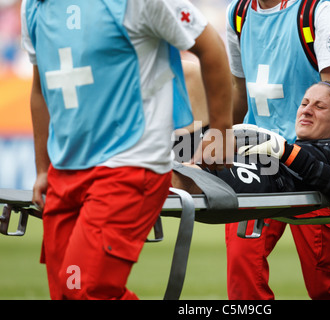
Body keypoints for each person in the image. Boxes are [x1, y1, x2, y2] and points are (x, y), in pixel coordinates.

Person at [21, 0, 233, 300]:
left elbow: (209, 46)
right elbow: (41, 88)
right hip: (64, 173)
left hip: (131, 164)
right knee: (68, 292)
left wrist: (221, 131)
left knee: (84, 290)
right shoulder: (33, 7)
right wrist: (43, 169)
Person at [224, 0, 330, 299]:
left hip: (311, 166)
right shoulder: (238, 14)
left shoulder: (320, 13)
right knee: (242, 279)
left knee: (329, 288)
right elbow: (239, 90)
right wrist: (221, 142)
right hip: (255, 167)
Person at [173, 81, 330, 299]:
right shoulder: (277, 145)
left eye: (319, 106)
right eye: (305, 103)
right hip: (213, 174)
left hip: (221, 183)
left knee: (329, 287)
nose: (307, 110)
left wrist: (287, 152)